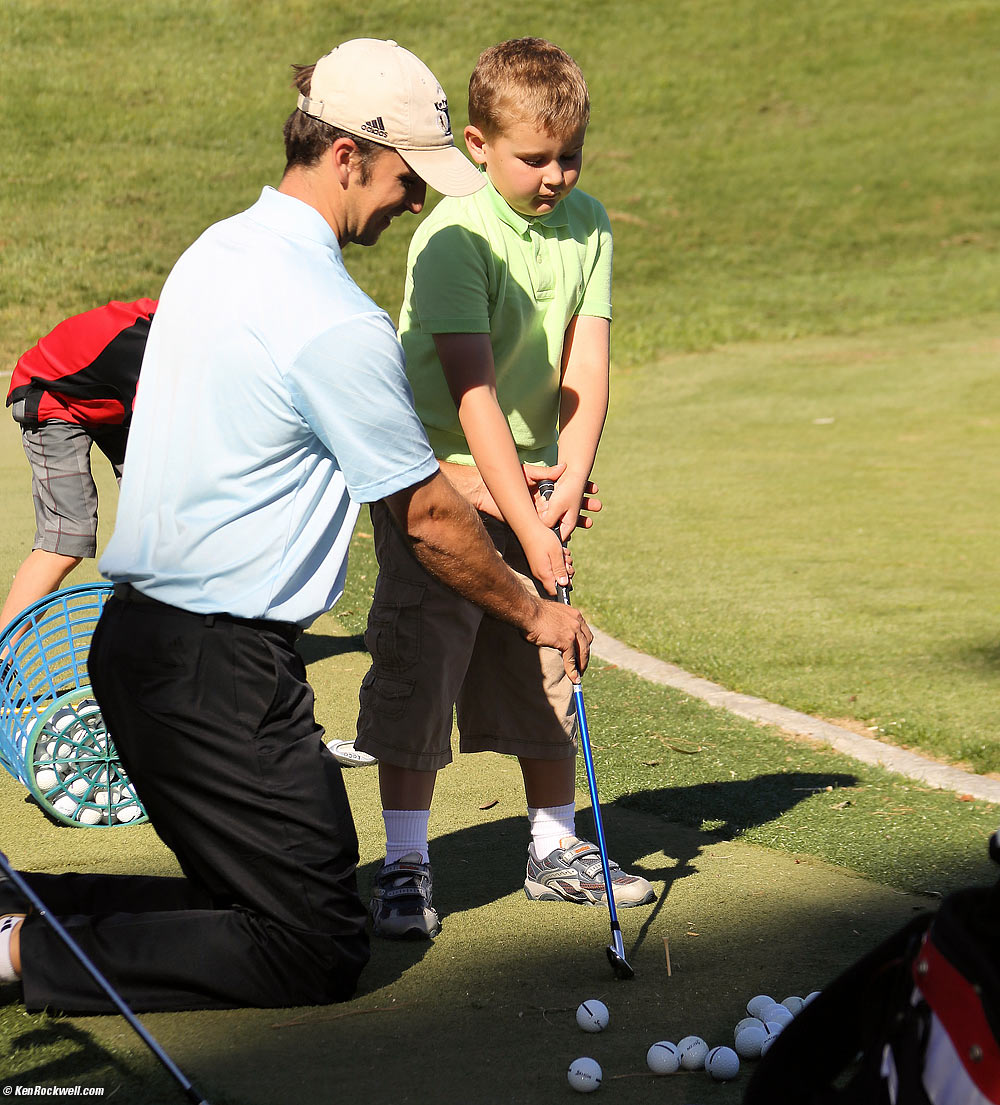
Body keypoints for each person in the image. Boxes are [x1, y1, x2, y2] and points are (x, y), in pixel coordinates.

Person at [0, 38, 591, 1013]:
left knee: (253, 898)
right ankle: (24, 953)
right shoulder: (329, 314)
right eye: (407, 178)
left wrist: (493, 490)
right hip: (215, 671)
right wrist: (533, 613)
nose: (416, 202)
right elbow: (428, 521)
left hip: (136, 645)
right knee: (312, 941)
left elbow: (314, 446)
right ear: (349, 154)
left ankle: (14, 914)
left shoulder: (214, 254)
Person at [355, 37, 653, 941]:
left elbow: (586, 363)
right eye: (534, 157)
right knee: (422, 671)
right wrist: (524, 518)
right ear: (479, 146)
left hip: (531, 481)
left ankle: (554, 848)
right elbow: (472, 393)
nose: (556, 175)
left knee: (544, 664)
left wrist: (567, 482)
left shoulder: (590, 223)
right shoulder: (454, 233)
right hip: (438, 481)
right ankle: (406, 865)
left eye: (570, 156)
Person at [0, 299, 157, 636]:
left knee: (164, 518)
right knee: (66, 539)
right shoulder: (156, 346)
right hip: (50, 393)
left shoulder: (196, 331)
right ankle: (2, 656)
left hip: (108, 398)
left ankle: (155, 643)